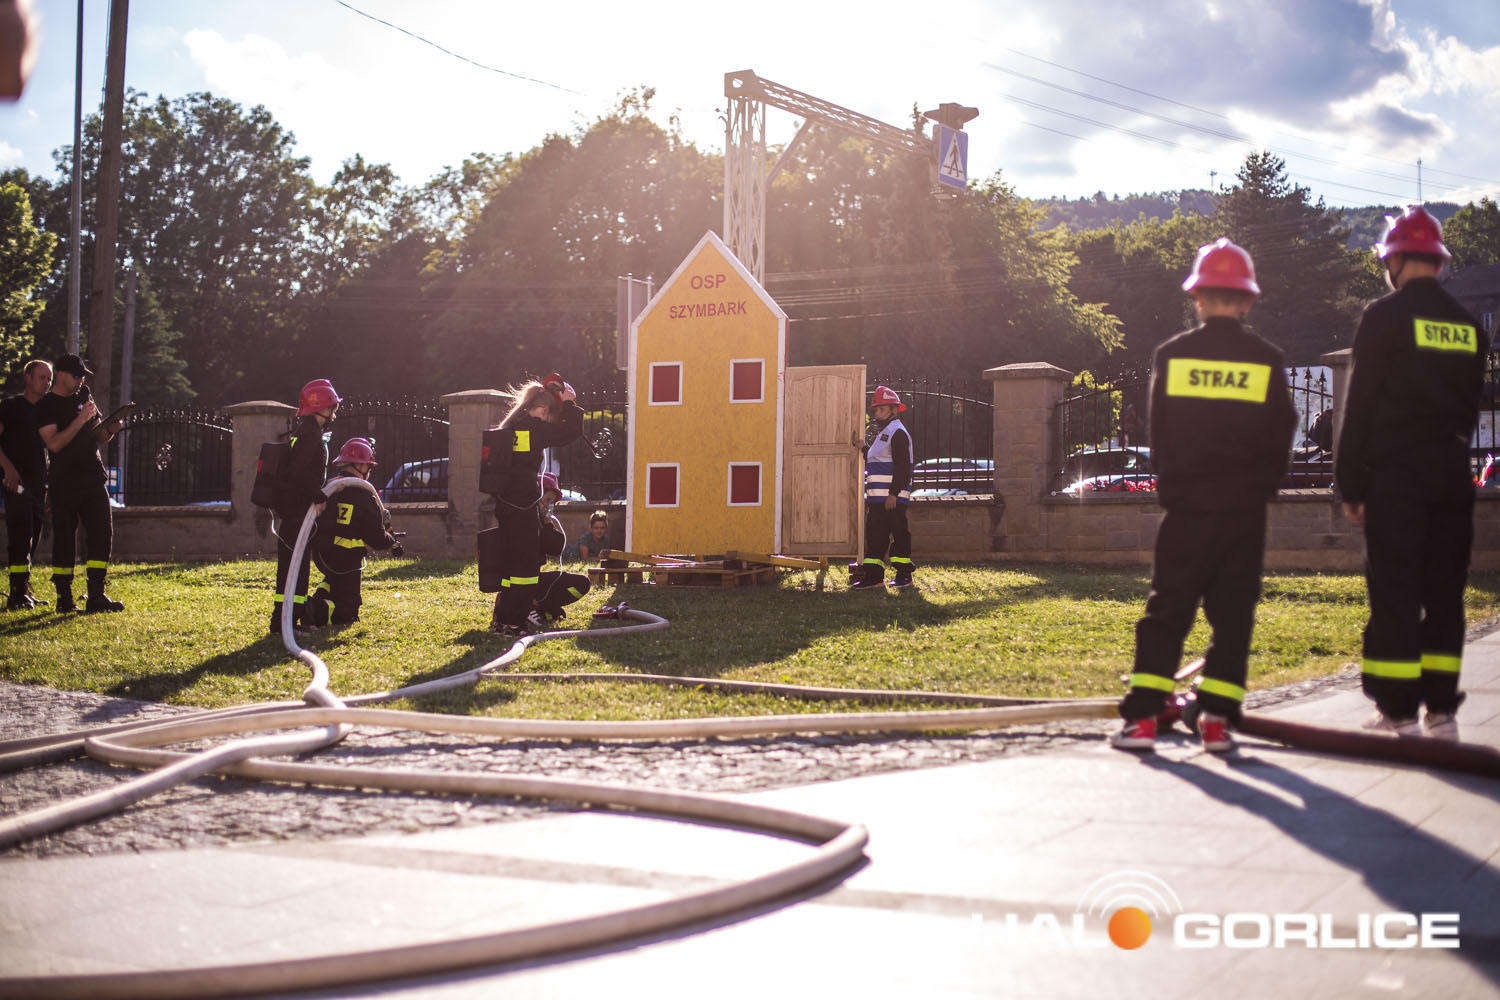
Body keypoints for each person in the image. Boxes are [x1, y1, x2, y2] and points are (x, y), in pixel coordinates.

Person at [1112, 239, 1296, 753]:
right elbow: (1282, 431)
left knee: (1168, 608)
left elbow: (1160, 431)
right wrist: (1262, 486)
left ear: (1197, 297)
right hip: (1243, 510)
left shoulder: (1172, 355)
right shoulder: (1267, 360)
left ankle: (1142, 721)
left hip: (1187, 507)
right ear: (1248, 300)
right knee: (1234, 615)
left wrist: (1172, 486)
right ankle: (1216, 722)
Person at [1336, 206, 1488, 742]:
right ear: (1439, 263)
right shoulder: (1469, 326)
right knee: (1445, 591)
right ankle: (1441, 711)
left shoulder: (1384, 316)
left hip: (1396, 476)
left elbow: (1359, 404)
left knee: (1396, 590)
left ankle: (1398, 711)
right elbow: (1471, 407)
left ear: (1394, 261)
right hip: (1451, 474)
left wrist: (1350, 483)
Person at [487, 374, 583, 638]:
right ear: (542, 410)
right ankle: (515, 623)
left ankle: (502, 619)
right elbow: (570, 432)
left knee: (510, 567)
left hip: (506, 507)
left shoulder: (513, 425)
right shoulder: (534, 427)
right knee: (525, 569)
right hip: (522, 508)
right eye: (549, 416)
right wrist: (570, 403)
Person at [35, 354, 128, 613]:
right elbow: (54, 444)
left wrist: (110, 429)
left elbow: (98, 434)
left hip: (93, 476)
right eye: (77, 375)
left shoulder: (84, 395)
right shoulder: (46, 406)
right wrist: (80, 420)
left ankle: (96, 594)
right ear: (61, 374)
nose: (81, 381)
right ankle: (64, 598)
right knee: (65, 537)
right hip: (64, 480)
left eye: (83, 376)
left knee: (102, 532)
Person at [304, 437, 400, 627]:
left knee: (334, 581)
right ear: (361, 466)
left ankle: (319, 596)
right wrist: (390, 540)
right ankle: (313, 609)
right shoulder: (363, 495)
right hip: (346, 559)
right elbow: (375, 537)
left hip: (322, 554)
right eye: (369, 467)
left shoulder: (329, 487)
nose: (369, 471)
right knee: (349, 610)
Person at [270, 379, 340, 634]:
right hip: (298, 511)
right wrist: (318, 496)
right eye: (332, 407)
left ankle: (292, 619)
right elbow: (299, 473)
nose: (334, 413)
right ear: (320, 408)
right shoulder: (310, 435)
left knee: (297, 566)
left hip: (298, 510)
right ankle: (283, 623)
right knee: (293, 567)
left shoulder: (307, 432)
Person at [0, 359, 51, 608]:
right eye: (42, 377)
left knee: (33, 535)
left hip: (39, 484)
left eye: (49, 378)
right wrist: (8, 468)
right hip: (16, 482)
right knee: (20, 534)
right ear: (28, 378)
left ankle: (23, 588)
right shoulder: (11, 406)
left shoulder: (47, 412)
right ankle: (16, 594)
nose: (47, 382)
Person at [854, 385, 915, 590]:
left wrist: (893, 494)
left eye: (881, 409)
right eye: (876, 410)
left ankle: (904, 575)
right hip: (878, 499)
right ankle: (873, 578)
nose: (877, 413)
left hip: (892, 499)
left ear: (894, 410)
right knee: (875, 537)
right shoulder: (885, 433)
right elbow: (877, 460)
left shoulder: (898, 433)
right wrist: (863, 448)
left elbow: (903, 467)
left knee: (899, 535)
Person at [534, 472, 592, 623]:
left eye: (552, 502)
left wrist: (547, 523)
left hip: (534, 581)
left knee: (556, 613)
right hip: (525, 583)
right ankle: (531, 605)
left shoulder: (541, 521)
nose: (550, 505)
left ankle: (539, 606)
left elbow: (556, 549)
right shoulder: (528, 522)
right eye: (547, 500)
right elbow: (550, 545)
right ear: (535, 497)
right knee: (581, 584)